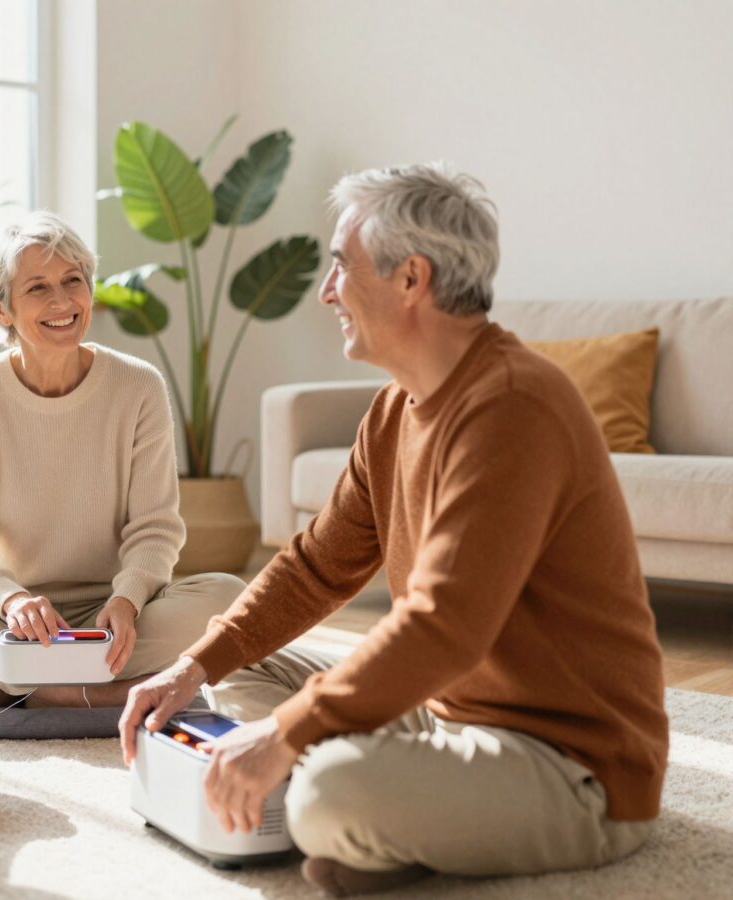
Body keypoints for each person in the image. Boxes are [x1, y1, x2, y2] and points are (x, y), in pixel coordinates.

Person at [119, 163, 668, 896]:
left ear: (411, 279)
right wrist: (192, 666)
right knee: (235, 665)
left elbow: (446, 625)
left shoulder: (513, 406)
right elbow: (315, 566)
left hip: (572, 765)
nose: (325, 292)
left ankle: (357, 811)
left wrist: (287, 737)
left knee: (325, 797)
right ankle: (392, 819)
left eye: (339, 267)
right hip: (442, 716)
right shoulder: (395, 409)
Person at [0, 211, 244, 709]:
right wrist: (13, 600)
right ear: (1, 310)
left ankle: (29, 689)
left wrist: (127, 599)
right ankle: (98, 692)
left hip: (122, 615)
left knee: (228, 596)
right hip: (14, 620)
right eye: (37, 288)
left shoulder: (139, 386)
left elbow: (155, 527)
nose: (62, 302)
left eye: (73, 281)